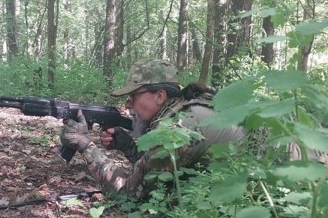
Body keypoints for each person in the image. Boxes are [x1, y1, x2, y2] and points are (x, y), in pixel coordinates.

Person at [60, 59, 246, 198]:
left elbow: (128, 192)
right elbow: (158, 170)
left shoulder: (177, 130)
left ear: (160, 96)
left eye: (133, 97)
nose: (127, 105)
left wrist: (85, 145)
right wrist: (128, 146)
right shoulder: (186, 110)